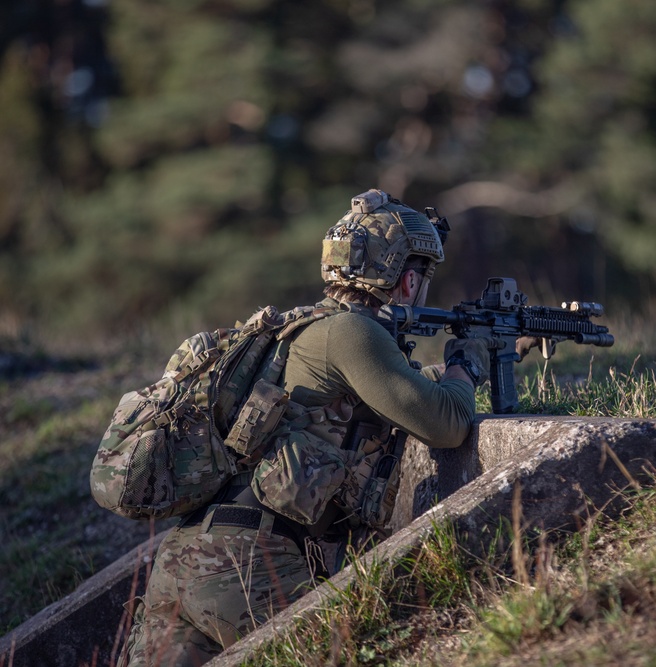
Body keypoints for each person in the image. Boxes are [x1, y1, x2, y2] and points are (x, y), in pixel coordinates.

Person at [120, 189, 490, 666]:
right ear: (405, 279)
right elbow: (447, 424)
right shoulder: (353, 332)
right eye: (420, 277)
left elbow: (392, 397)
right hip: (252, 566)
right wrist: (468, 365)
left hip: (184, 560)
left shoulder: (301, 330)